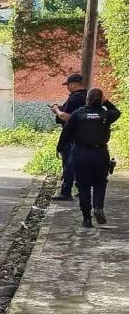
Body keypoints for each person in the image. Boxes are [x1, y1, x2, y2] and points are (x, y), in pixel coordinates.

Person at [57, 87, 121, 228]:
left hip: (80, 153)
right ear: (101, 100)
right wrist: (106, 102)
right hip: (100, 153)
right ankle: (98, 207)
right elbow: (117, 112)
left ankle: (87, 218)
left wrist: (60, 147)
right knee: (100, 183)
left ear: (87, 100)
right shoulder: (106, 114)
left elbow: (66, 132)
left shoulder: (78, 114)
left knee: (83, 186)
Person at [51, 73, 87, 201]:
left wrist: (57, 111)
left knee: (68, 164)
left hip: (71, 135)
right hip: (84, 135)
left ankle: (66, 192)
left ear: (73, 84)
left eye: (68, 85)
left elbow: (66, 117)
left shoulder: (74, 98)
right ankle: (83, 190)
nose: (67, 87)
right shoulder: (87, 96)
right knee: (81, 165)